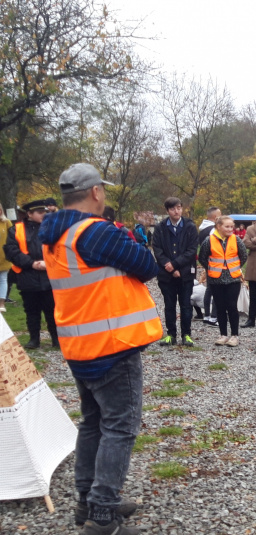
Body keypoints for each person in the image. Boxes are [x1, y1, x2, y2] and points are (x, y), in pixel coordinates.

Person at [39, 162, 161, 535]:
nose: (103, 195)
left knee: (93, 422)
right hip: (112, 345)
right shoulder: (95, 233)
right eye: (103, 190)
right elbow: (146, 264)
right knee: (119, 427)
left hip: (78, 344)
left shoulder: (53, 233)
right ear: (95, 192)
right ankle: (102, 515)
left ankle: (86, 501)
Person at [3, 199, 59, 349]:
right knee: (31, 310)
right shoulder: (16, 230)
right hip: (27, 276)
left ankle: (56, 338)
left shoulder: (52, 228)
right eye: (40, 212)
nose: (44, 215)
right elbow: (12, 251)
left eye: (45, 212)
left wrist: (48, 263)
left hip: (49, 276)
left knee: (52, 310)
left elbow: (60, 249)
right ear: (29, 214)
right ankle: (34, 339)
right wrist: (32, 263)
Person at [152, 197, 198, 347]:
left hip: (185, 273)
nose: (176, 211)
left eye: (178, 208)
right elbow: (157, 250)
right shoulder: (160, 228)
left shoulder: (190, 226)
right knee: (169, 304)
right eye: (172, 209)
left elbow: (192, 250)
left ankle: (187, 334)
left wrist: (176, 265)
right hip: (166, 274)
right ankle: (171, 334)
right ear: (167, 211)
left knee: (186, 304)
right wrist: (169, 266)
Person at [198, 215, 248, 347]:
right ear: (218, 227)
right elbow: (202, 257)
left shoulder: (236, 240)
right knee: (220, 307)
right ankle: (223, 334)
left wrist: (234, 268)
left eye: (232, 226)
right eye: (227, 226)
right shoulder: (209, 240)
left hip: (233, 278)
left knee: (232, 306)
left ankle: (234, 335)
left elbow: (243, 256)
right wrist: (212, 269)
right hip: (215, 279)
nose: (230, 229)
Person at [198, 206, 221, 326]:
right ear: (215, 217)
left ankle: (207, 315)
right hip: (215, 264)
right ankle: (213, 316)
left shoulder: (202, 229)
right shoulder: (213, 230)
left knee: (209, 289)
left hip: (207, 263)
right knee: (217, 290)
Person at [0, 203, 13, 313]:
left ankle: (2, 303)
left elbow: (13, 236)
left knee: (3, 280)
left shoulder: (6, 222)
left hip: (3, 256)